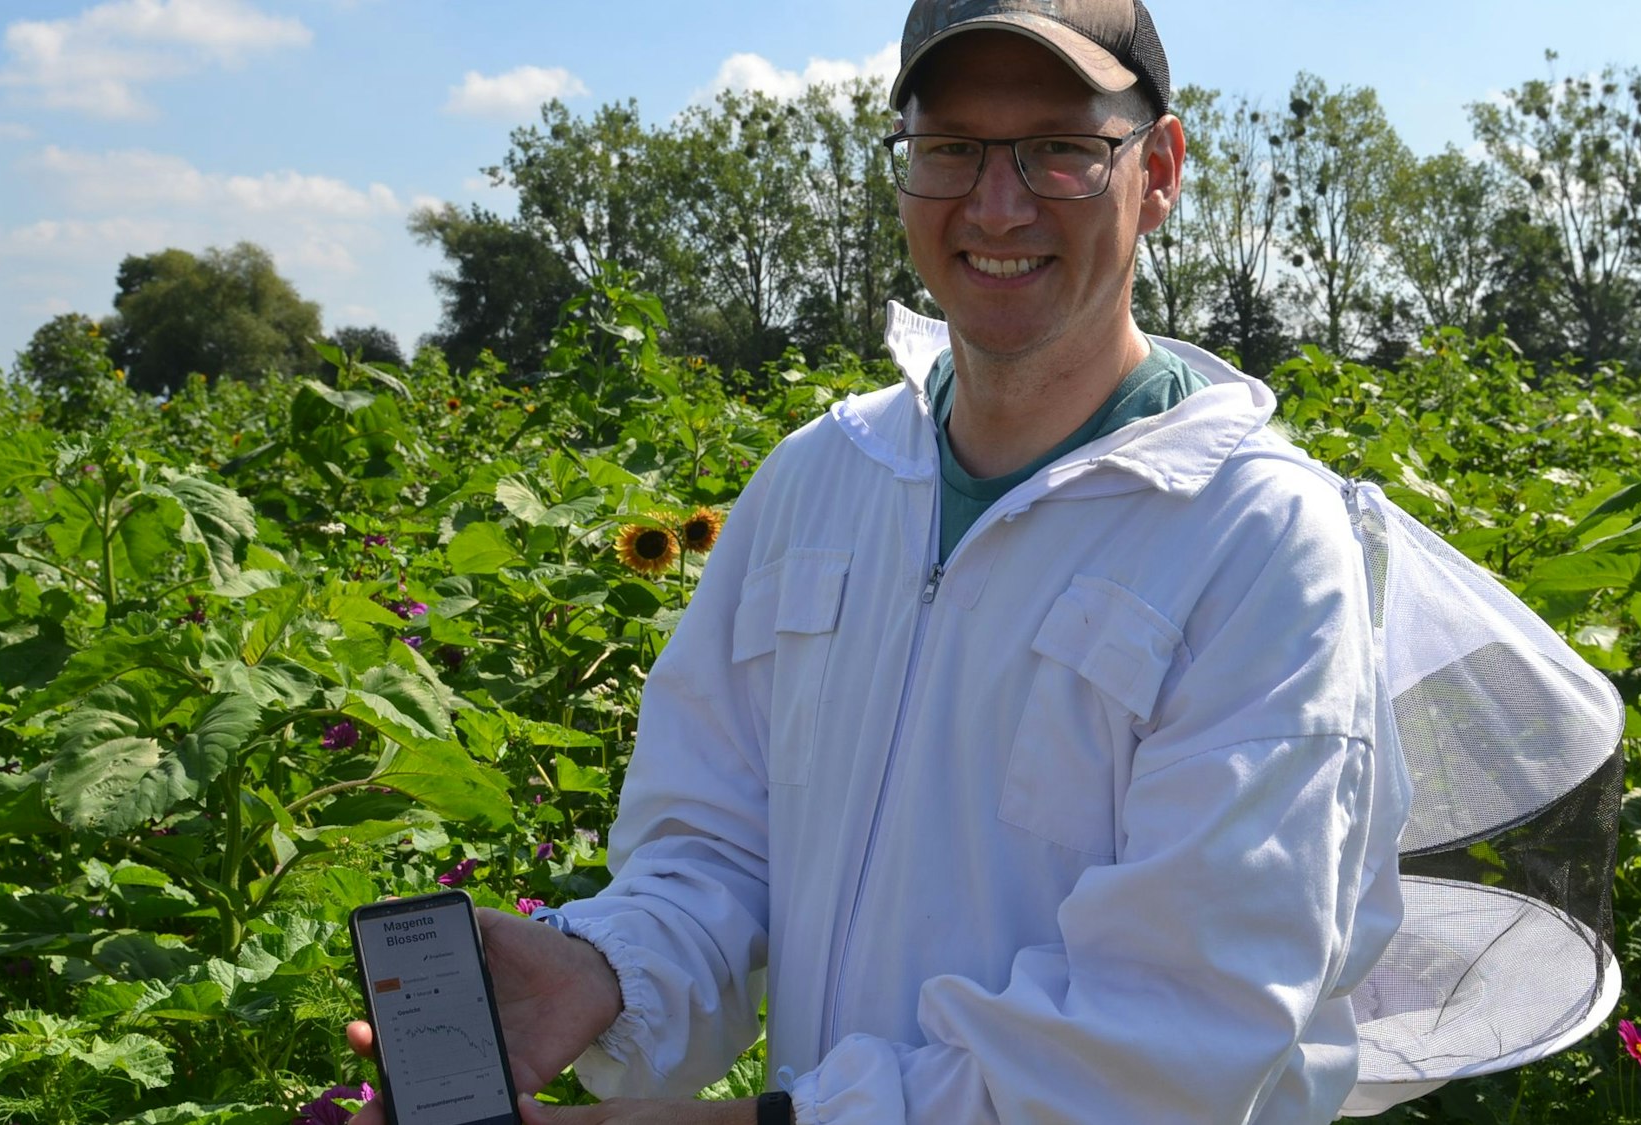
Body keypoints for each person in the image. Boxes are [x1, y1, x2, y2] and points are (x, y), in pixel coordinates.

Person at [350, 1, 1409, 1121]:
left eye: (1060, 148)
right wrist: (606, 971)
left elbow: (1172, 1038)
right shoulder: (821, 481)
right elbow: (715, 844)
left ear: (1158, 171)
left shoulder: (1254, 540)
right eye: (950, 148)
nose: (995, 205)